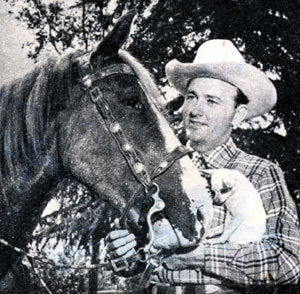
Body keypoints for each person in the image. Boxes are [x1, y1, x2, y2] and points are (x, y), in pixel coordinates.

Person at [105, 40, 300, 293]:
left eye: (212, 101)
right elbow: (135, 263)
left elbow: (289, 261)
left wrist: (201, 256)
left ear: (238, 114)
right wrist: (123, 253)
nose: (196, 110)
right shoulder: (157, 172)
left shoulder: (260, 172)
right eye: (192, 97)